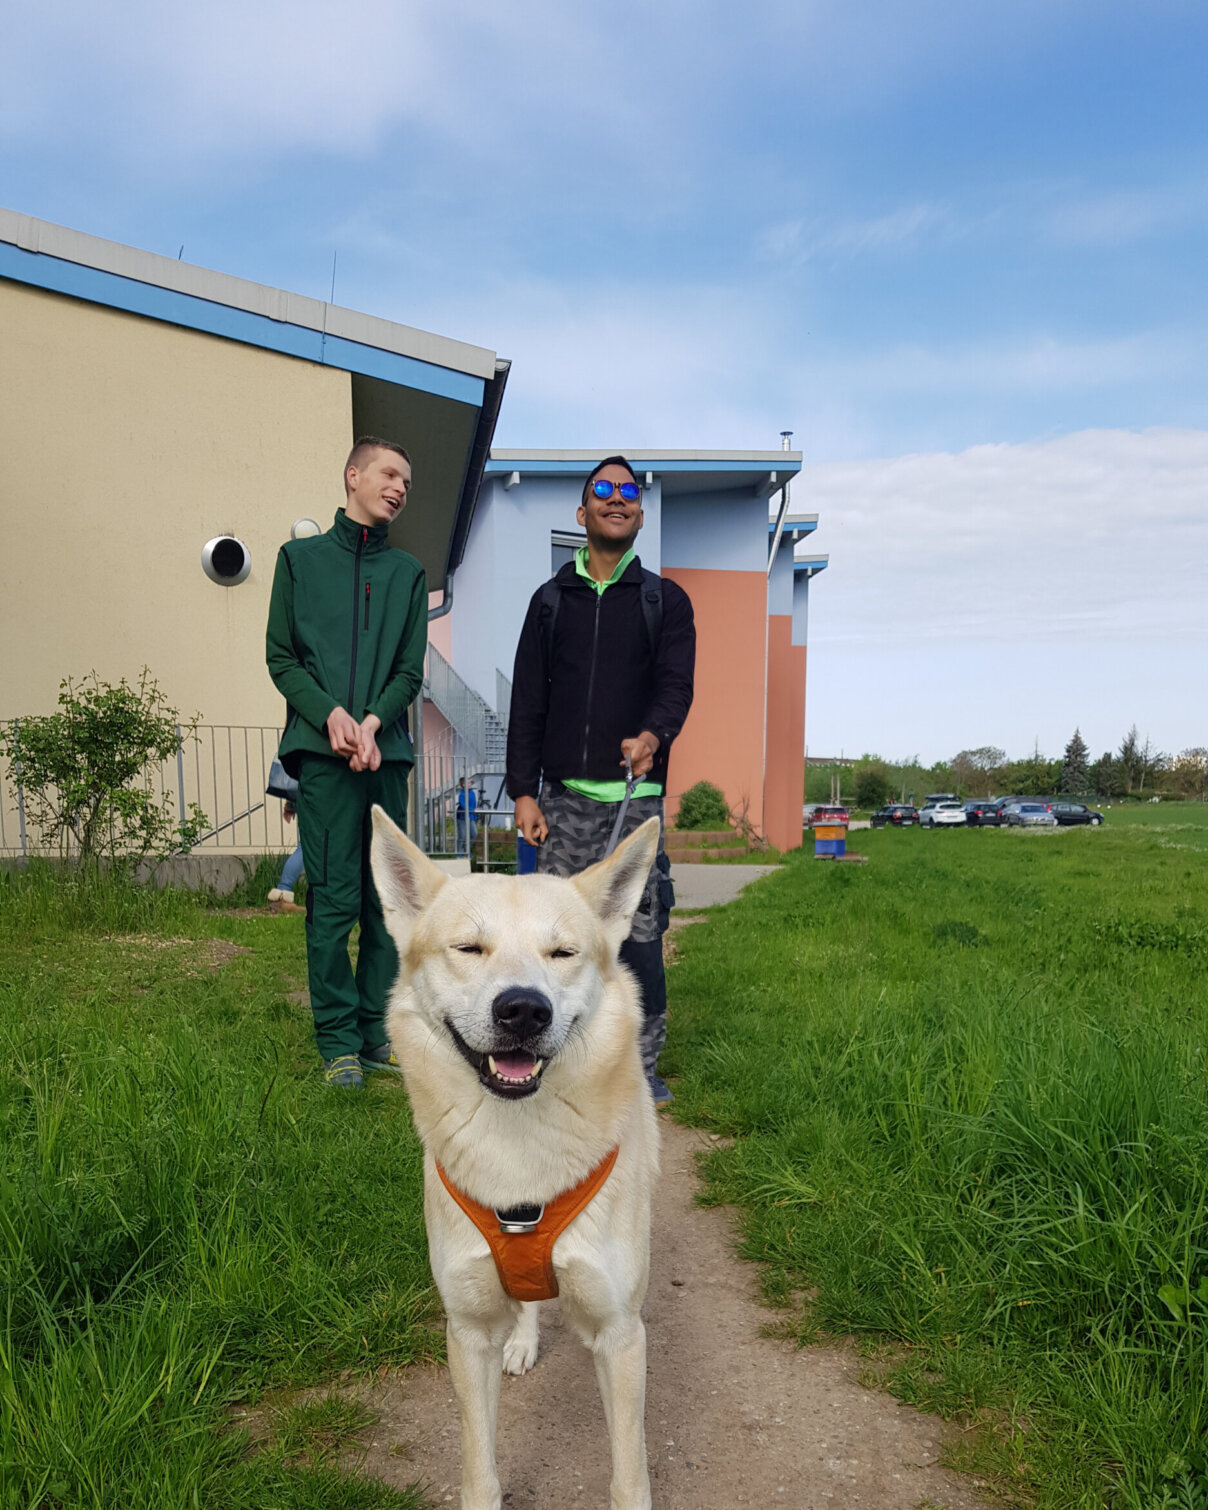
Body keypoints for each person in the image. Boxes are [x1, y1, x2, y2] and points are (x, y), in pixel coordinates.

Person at [506, 455, 695, 1104]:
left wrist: (653, 736)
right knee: (556, 944)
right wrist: (524, 790)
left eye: (629, 491)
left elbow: (675, 686)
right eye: (604, 490)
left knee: (640, 943)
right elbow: (528, 700)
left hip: (635, 807)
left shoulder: (663, 602)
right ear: (583, 513)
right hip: (562, 805)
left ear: (639, 515)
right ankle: (558, 1058)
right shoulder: (551, 602)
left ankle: (641, 1069)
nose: (618, 498)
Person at [266, 436, 427, 1089]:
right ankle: (336, 1045)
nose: (399, 487)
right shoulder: (299, 561)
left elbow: (409, 671)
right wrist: (331, 716)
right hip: (324, 756)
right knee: (333, 900)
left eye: (407, 482)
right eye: (390, 473)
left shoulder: (408, 574)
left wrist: (368, 723)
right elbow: (282, 657)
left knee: (389, 903)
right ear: (353, 476)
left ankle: (372, 1036)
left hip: (383, 755)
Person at [267, 798, 305, 909]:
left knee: (304, 847)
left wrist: (290, 804)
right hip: (329, 799)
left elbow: (295, 781)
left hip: (308, 798)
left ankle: (282, 892)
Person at [455, 776, 478, 857]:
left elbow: (474, 804)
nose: (470, 784)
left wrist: (474, 813)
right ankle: (460, 853)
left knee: (474, 834)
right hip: (462, 817)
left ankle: (466, 849)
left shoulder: (472, 793)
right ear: (463, 785)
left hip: (471, 816)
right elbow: (463, 805)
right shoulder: (462, 794)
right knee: (462, 836)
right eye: (468, 783)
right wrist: (471, 809)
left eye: (470, 782)